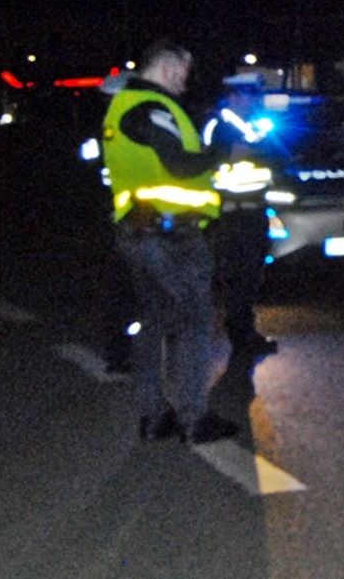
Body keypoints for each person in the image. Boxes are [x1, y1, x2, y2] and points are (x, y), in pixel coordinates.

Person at [101, 38, 238, 444]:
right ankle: (193, 419)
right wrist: (221, 146)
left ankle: (153, 416)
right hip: (171, 235)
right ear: (167, 69)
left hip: (137, 232)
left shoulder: (124, 107)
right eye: (182, 72)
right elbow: (180, 165)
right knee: (196, 323)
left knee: (153, 323)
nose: (185, 81)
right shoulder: (151, 108)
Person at [204, 77, 278, 354]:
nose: (252, 102)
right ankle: (239, 335)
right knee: (237, 276)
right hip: (231, 214)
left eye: (254, 97)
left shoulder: (254, 127)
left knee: (252, 276)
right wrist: (248, 153)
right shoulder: (219, 125)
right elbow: (214, 160)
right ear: (232, 97)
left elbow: (273, 160)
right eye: (247, 96)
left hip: (255, 210)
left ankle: (247, 331)